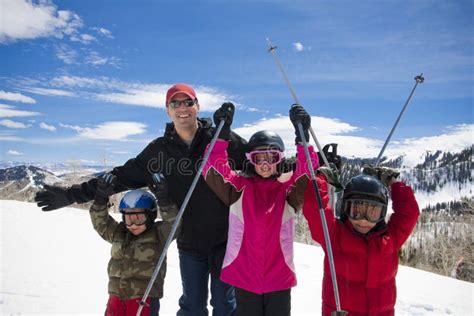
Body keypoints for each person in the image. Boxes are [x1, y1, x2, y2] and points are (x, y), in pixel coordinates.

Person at [35, 83, 248, 315]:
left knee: (225, 305)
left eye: (188, 102)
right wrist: (70, 195)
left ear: (197, 106)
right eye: (175, 103)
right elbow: (117, 178)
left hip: (226, 240)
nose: (182, 108)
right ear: (168, 110)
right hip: (189, 243)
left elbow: (262, 161)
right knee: (192, 306)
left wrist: (287, 155)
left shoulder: (219, 139)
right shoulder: (158, 152)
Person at [201, 104, 319, 316]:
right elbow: (212, 168)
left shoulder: (288, 192)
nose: (265, 165)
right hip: (244, 275)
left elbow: (307, 174)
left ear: (280, 159)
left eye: (271, 158)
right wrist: (222, 134)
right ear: (250, 161)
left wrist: (302, 140)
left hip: (279, 277)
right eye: (258, 159)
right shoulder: (238, 188)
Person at [302, 166, 420, 315]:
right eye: (355, 211)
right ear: (345, 208)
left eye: (373, 213)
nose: (363, 221)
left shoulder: (390, 238)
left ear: (382, 213)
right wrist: (322, 178)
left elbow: (409, 213)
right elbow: (315, 208)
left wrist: (393, 183)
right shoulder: (333, 235)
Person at [90, 173, 178, 316]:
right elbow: (101, 223)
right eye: (128, 219)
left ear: (150, 216)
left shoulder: (159, 235)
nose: (133, 225)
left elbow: (174, 224)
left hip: (143, 299)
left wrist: (164, 200)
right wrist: (100, 199)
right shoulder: (119, 232)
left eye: (138, 218)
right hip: (116, 297)